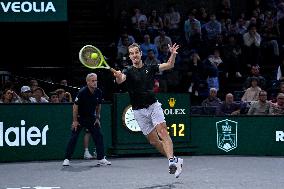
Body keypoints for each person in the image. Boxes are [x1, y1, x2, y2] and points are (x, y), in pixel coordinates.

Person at [113, 43, 183, 178]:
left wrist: (173, 54)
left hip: (153, 106)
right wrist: (117, 75)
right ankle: (175, 159)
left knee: (162, 131)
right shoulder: (127, 71)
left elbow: (169, 65)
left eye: (136, 52)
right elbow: (121, 80)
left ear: (140, 53)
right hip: (138, 111)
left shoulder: (150, 68)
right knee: (154, 142)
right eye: (131, 53)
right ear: (129, 56)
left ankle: (171, 161)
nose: (134, 55)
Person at [62, 73, 111, 166]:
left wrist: (97, 118)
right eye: (92, 81)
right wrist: (75, 121)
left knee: (99, 136)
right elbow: (75, 107)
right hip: (80, 118)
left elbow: (98, 105)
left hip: (91, 118)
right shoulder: (82, 92)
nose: (95, 82)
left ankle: (101, 158)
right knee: (73, 138)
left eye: (96, 80)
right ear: (87, 82)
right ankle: (67, 159)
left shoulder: (98, 92)